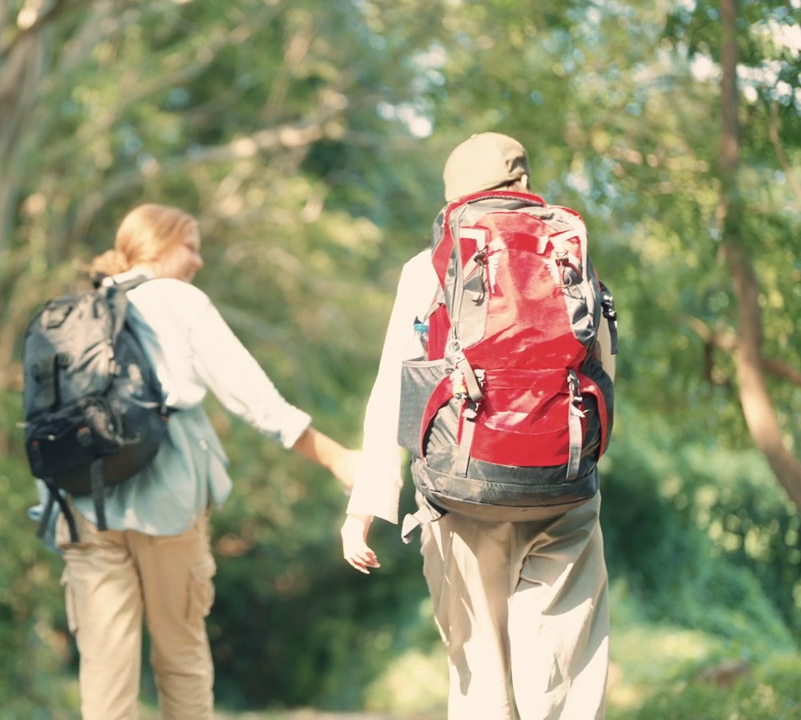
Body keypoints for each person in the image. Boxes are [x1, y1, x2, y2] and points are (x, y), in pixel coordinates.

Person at [39, 203, 357, 720]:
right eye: (192, 247)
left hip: (83, 502)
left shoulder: (80, 310)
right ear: (161, 247)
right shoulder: (176, 300)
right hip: (165, 494)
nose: (198, 261)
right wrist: (335, 455)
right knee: (180, 654)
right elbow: (253, 397)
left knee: (104, 667)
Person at [340, 133, 615, 720]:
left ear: (453, 196)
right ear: (523, 183)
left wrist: (365, 505)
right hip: (561, 488)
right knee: (563, 668)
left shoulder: (431, 264)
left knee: (482, 676)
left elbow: (397, 385)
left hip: (461, 489)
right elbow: (603, 367)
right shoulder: (570, 252)